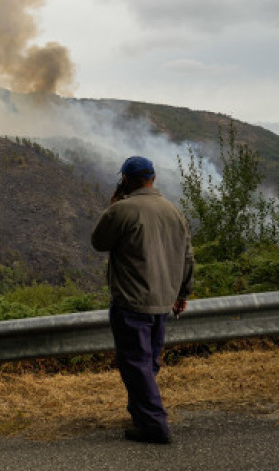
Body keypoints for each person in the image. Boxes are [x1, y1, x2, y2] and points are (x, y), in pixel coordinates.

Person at [91, 156, 194, 445]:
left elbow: (99, 242)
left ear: (127, 179)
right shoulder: (173, 211)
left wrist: (113, 207)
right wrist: (183, 293)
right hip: (164, 301)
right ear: (153, 178)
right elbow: (188, 256)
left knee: (136, 363)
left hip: (133, 302)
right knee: (148, 362)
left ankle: (155, 425)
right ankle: (142, 415)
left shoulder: (123, 210)